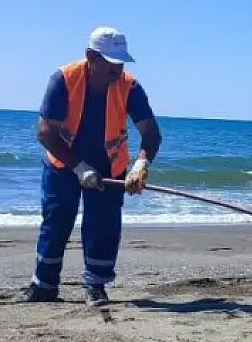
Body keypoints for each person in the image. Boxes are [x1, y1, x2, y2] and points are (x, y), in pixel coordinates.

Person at [20, 27, 162, 306]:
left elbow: (151, 133)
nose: (116, 69)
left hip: (110, 164)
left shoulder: (129, 86)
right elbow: (45, 132)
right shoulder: (63, 78)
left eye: (120, 62)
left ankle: (96, 285)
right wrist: (79, 167)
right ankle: (44, 285)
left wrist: (140, 165)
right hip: (64, 162)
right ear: (90, 56)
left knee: (104, 225)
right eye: (110, 62)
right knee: (56, 220)